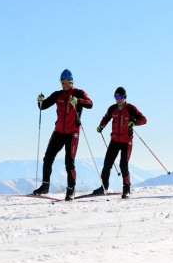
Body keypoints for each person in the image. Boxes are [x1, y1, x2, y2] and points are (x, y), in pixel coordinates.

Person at [35, 69, 93, 201]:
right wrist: (39, 101)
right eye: (62, 82)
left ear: (71, 82)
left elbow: (90, 104)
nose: (64, 85)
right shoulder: (57, 94)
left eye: (66, 82)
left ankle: (71, 190)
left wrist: (77, 101)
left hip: (73, 133)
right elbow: (43, 106)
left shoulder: (79, 93)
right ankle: (45, 186)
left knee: (69, 161)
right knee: (48, 157)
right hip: (59, 131)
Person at [92, 87, 147, 199]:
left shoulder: (131, 108)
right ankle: (103, 187)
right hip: (115, 140)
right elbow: (106, 118)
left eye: (120, 97)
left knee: (123, 165)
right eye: (116, 97)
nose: (118, 99)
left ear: (124, 97)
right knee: (107, 163)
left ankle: (126, 190)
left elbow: (144, 119)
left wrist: (134, 122)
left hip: (127, 141)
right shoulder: (112, 108)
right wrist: (101, 126)